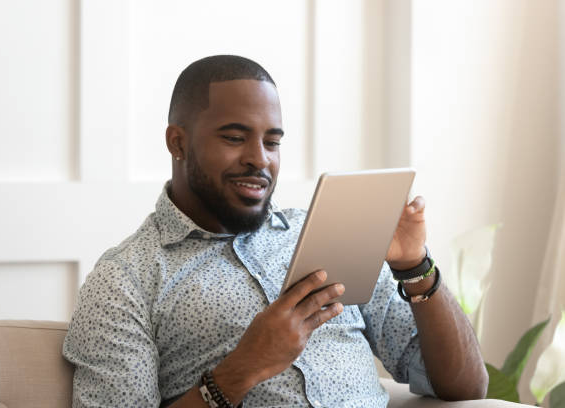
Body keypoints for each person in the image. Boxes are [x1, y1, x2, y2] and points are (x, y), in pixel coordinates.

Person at [63, 55, 488, 407]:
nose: (259, 159)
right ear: (178, 143)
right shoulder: (124, 280)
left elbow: (465, 387)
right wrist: (240, 370)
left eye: (272, 142)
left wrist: (416, 268)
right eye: (234, 138)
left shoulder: (329, 234)